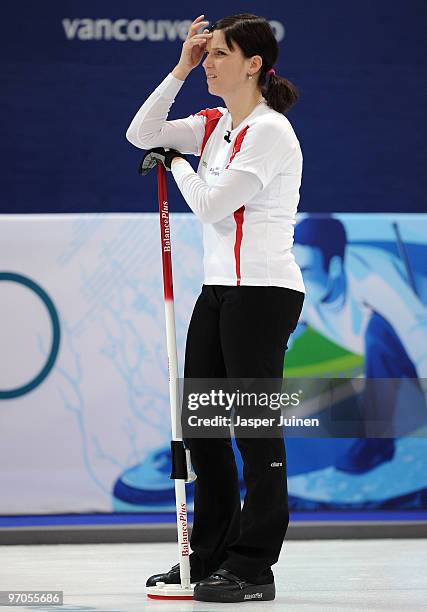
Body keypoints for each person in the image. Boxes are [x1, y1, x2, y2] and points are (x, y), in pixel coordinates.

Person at [126, 12, 305, 603]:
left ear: (254, 64)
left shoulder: (270, 131)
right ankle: (207, 555)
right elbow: (140, 131)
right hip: (219, 291)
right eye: (207, 54)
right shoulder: (215, 125)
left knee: (252, 431)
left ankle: (254, 566)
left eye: (220, 53)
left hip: (264, 292)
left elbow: (211, 205)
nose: (210, 61)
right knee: (202, 427)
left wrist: (175, 163)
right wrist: (179, 66)